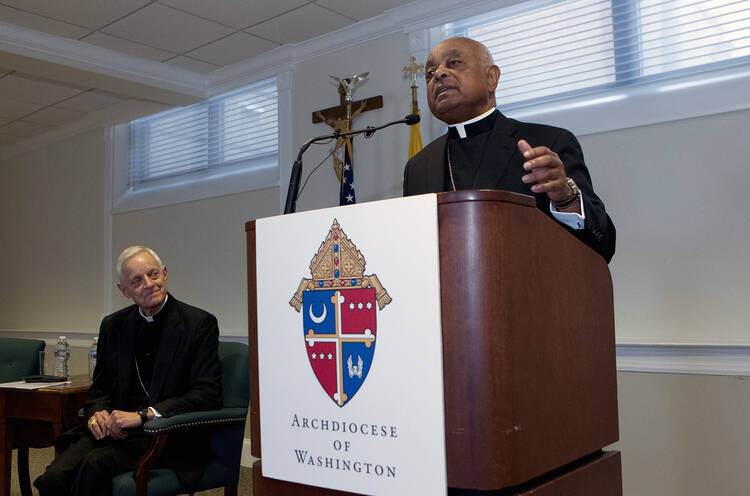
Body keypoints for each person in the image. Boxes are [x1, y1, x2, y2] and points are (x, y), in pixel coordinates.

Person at [404, 37, 615, 262]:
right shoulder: (418, 167)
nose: (438, 74)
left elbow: (603, 245)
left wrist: (566, 198)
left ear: (491, 78)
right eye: (429, 73)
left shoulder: (549, 142)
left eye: (453, 63)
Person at [34, 246, 222, 496]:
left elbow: (207, 393)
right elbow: (99, 388)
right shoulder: (114, 325)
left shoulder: (199, 324)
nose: (149, 284)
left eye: (153, 274)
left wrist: (145, 415)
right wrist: (97, 413)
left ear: (165, 273)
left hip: (166, 434)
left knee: (94, 466)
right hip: (116, 431)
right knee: (54, 477)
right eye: (137, 280)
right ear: (124, 290)